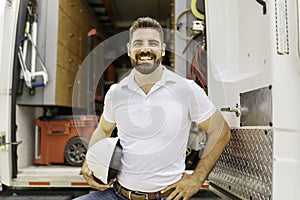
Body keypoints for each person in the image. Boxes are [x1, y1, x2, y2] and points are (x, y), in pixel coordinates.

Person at [74, 17, 231, 200]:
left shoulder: (186, 90)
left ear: (163, 50)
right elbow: (103, 129)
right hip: (118, 195)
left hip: (166, 197)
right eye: (138, 43)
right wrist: (88, 161)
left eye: (153, 43)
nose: (146, 49)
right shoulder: (116, 93)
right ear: (129, 50)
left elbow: (221, 131)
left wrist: (196, 179)